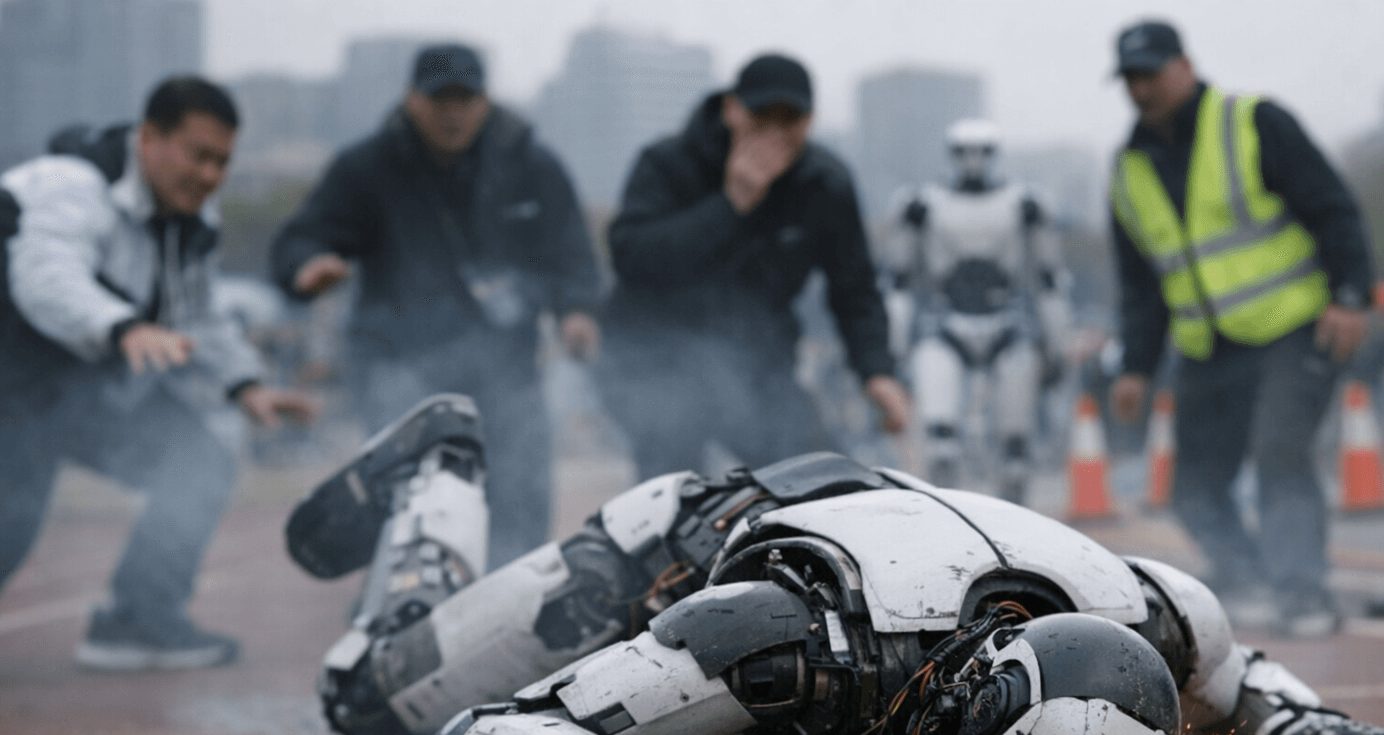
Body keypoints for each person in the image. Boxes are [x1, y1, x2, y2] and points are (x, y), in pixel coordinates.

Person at [283, 394, 1384, 735]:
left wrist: (1297, 722)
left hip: (890, 517)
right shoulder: (780, 639)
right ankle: (438, 462)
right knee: (367, 698)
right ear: (966, 709)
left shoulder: (1156, 614)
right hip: (674, 544)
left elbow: (1250, 679)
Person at [0, 77, 317, 672]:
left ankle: (136, 620)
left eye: (222, 161)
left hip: (73, 393)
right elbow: (46, 279)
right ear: (149, 138)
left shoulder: (191, 222)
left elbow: (200, 316)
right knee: (8, 530)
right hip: (11, 389)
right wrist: (122, 327)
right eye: (199, 156)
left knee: (196, 461)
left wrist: (246, 385)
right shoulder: (67, 185)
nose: (210, 175)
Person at [270, 43, 603, 566]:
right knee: (412, 511)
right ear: (411, 100)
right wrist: (307, 266)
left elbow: (573, 255)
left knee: (520, 508)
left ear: (485, 102)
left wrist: (577, 312)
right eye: (438, 100)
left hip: (508, 372)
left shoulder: (531, 165)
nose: (453, 114)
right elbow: (300, 238)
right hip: (398, 369)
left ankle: (511, 601)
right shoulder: (366, 168)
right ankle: (399, 602)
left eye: (464, 100)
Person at [1104, 21, 1374, 638]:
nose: (1141, 88)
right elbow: (1141, 284)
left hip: (1292, 328)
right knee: (1193, 487)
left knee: (1280, 453)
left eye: (1150, 73)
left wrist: (1351, 295)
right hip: (1208, 346)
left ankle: (1302, 591)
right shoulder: (1127, 170)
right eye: (1130, 78)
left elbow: (1333, 209)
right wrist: (1136, 368)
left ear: (1185, 66)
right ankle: (1247, 578)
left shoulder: (1253, 122)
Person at [600, 53, 910, 480]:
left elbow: (854, 288)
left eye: (790, 119)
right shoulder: (667, 163)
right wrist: (731, 204)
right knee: (678, 494)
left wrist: (876, 371)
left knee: (826, 482)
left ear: (810, 122)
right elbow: (632, 256)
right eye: (762, 116)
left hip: (757, 364)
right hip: (656, 361)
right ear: (732, 110)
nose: (775, 132)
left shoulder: (825, 183)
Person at [884, 118, 1075, 503]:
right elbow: (899, 281)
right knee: (940, 445)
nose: (972, 160)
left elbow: (1049, 280)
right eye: (963, 151)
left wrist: (1058, 346)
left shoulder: (1025, 203)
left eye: (982, 151)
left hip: (1008, 324)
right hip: (944, 324)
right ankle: (948, 517)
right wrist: (894, 346)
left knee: (1015, 451)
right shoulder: (921, 204)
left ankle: (1013, 523)